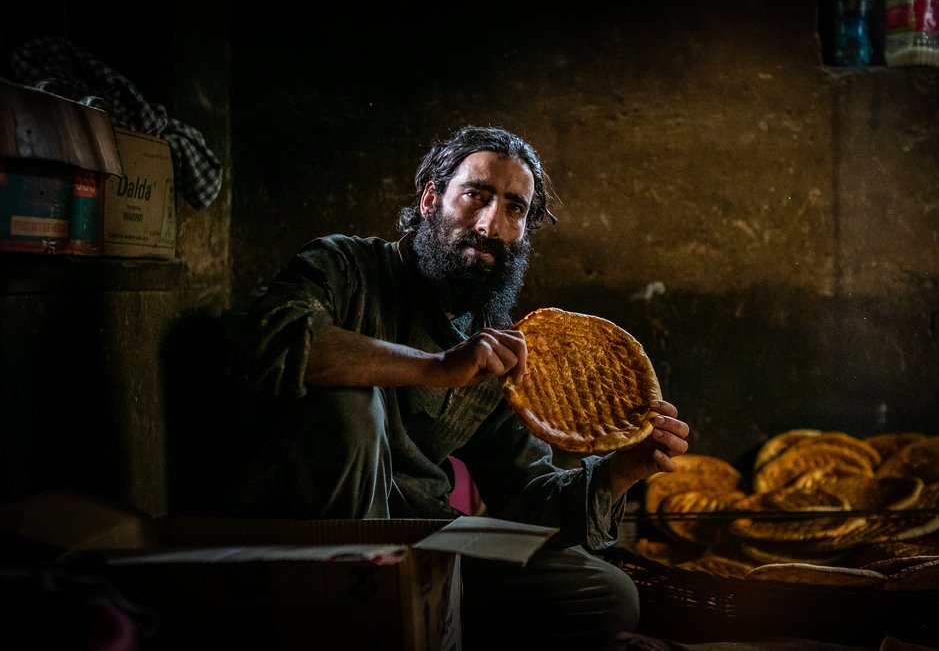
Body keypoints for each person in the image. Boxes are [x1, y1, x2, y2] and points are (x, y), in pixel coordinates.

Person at [225, 125, 690, 650]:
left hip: (424, 539)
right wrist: (434, 367)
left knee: (607, 595)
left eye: (515, 209)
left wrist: (619, 472)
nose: (491, 223)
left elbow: (522, 492)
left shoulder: (493, 346)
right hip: (311, 536)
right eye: (476, 196)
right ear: (430, 199)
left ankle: (425, 617)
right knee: (353, 402)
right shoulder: (346, 267)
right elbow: (273, 341)